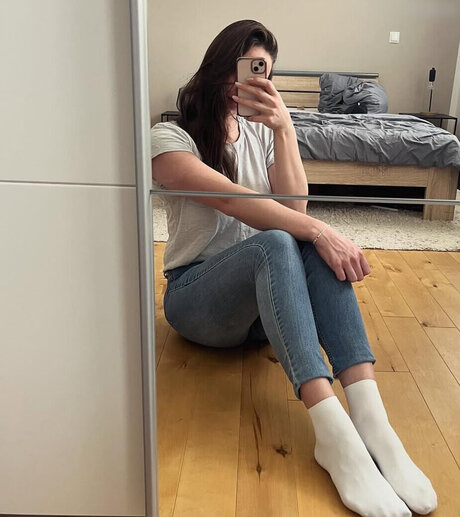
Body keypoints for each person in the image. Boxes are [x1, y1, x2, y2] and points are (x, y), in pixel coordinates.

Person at [150, 19, 437, 517]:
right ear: (217, 68)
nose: (248, 79)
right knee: (286, 240)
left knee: (299, 238)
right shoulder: (168, 137)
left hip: (268, 309)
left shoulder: (262, 134)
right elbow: (238, 203)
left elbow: (295, 208)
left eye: (262, 70)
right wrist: (323, 232)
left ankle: (372, 422)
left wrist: (284, 127)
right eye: (242, 67)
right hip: (197, 302)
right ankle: (334, 434)